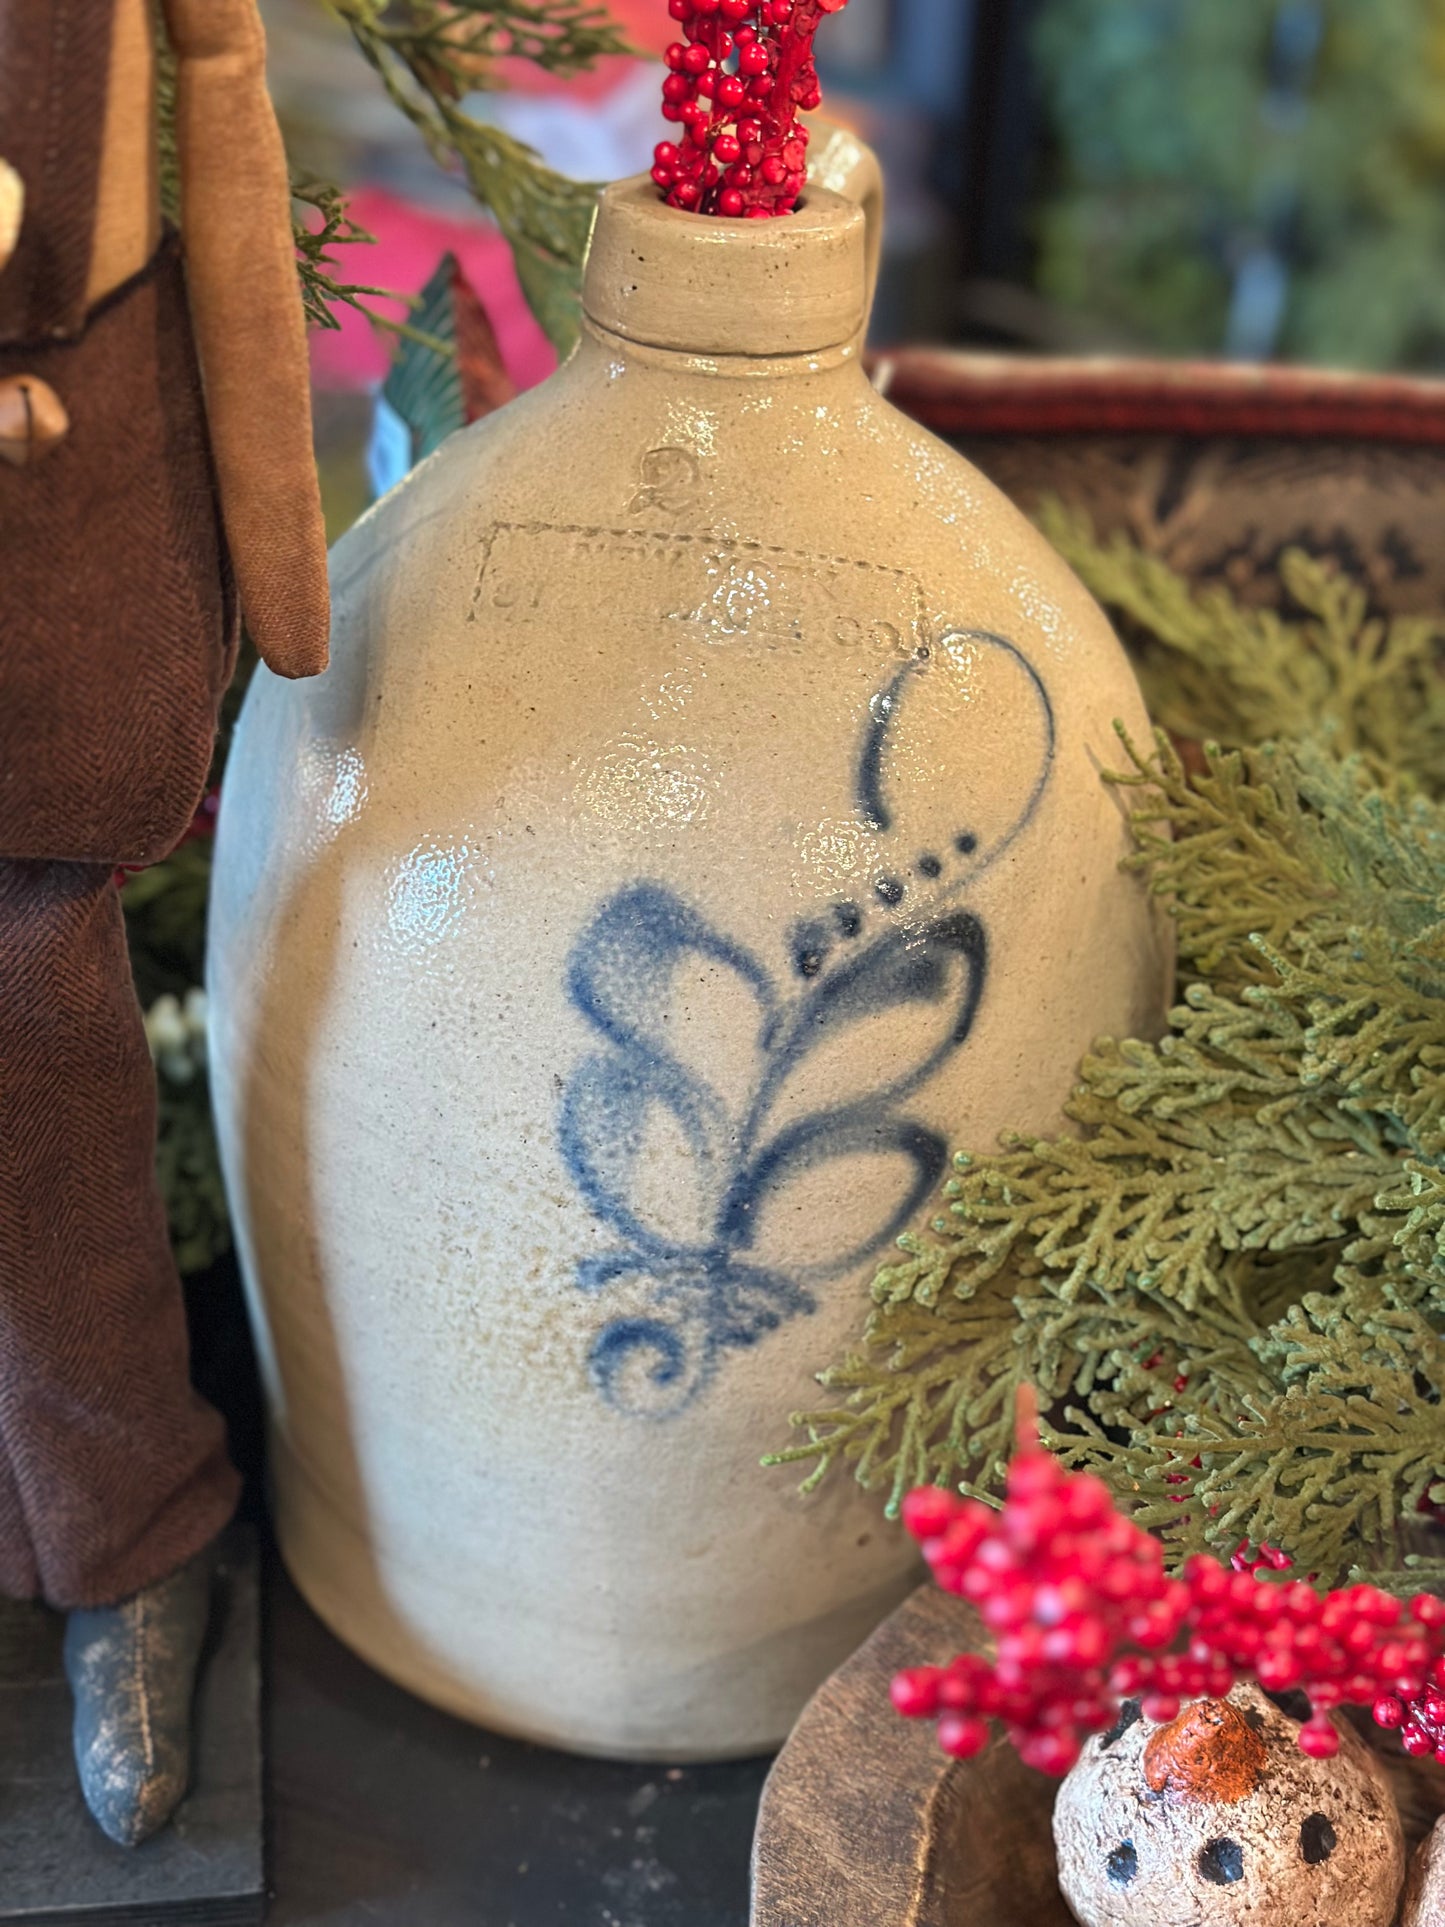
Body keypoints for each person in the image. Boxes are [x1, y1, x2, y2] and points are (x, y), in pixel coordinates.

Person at [0, 0, 328, 1845]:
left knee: (38, 1069)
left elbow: (225, 113)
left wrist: (279, 559)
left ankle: (126, 1536)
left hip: (55, 572)